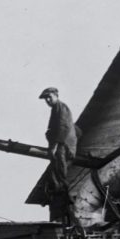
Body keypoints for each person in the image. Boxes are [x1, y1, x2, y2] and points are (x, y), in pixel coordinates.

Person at [39, 87, 79, 224]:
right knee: (53, 174)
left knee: (60, 173)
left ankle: (66, 200)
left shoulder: (62, 108)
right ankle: (55, 197)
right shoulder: (55, 109)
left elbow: (64, 127)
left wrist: (55, 145)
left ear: (56, 95)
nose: (48, 100)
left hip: (63, 146)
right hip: (61, 145)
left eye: (49, 97)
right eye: (46, 99)